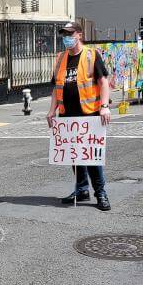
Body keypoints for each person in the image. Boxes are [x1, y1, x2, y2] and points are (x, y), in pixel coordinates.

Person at [47, 21, 112, 211]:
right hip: (67, 114)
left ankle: (100, 192)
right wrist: (51, 111)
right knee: (74, 154)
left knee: (91, 156)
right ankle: (82, 189)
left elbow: (103, 82)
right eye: (64, 34)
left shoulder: (91, 55)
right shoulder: (60, 58)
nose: (66, 37)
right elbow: (55, 88)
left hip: (89, 113)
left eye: (70, 33)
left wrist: (104, 106)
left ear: (79, 35)